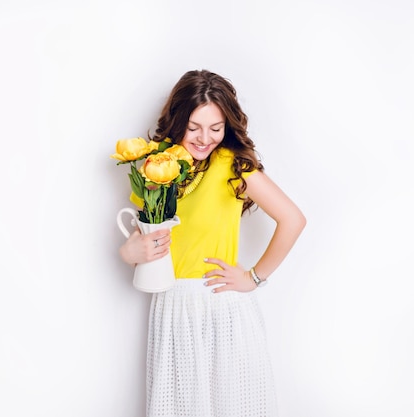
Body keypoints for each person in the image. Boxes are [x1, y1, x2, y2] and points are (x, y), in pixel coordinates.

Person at [118, 69, 306, 417]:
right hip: (172, 307)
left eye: (215, 128)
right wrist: (128, 252)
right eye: (194, 127)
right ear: (177, 122)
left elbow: (293, 219)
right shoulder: (158, 169)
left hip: (221, 307)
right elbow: (148, 237)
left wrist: (254, 278)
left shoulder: (234, 166)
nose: (205, 138)